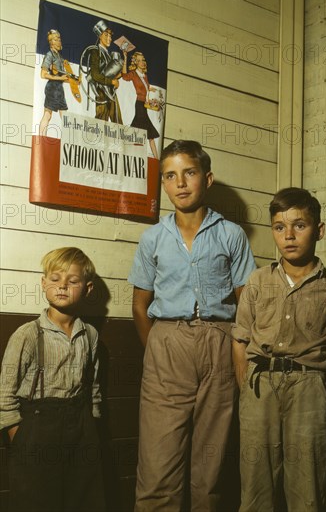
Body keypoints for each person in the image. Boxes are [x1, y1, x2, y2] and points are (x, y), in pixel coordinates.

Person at [128, 140, 256, 512]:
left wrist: (237, 352)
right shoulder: (152, 237)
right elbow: (140, 305)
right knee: (158, 455)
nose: (180, 183)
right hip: (167, 342)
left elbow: (246, 303)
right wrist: (157, 348)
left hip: (220, 341)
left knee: (210, 460)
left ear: (208, 178)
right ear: (163, 185)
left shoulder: (231, 234)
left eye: (190, 172)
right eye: (170, 175)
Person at [232, 187, 326, 512]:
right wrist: (246, 386)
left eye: (299, 226)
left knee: (309, 487)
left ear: (319, 230)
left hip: (310, 389)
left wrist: (321, 389)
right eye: (279, 227)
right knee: (256, 486)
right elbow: (240, 339)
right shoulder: (257, 282)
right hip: (260, 387)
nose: (288, 235)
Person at [0, 247, 105, 512]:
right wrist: (20, 436)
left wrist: (91, 423)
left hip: (80, 429)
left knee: (81, 499)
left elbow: (92, 385)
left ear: (88, 289)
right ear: (43, 283)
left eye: (72, 281)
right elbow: (5, 394)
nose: (62, 286)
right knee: (36, 501)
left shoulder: (89, 334)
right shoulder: (27, 335)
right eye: (55, 279)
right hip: (37, 429)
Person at [122, 51, 160, 159]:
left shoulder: (145, 76)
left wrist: (151, 89)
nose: (142, 62)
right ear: (135, 63)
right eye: (139, 60)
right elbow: (124, 76)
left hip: (144, 105)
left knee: (144, 133)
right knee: (144, 133)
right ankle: (132, 154)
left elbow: (145, 87)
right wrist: (125, 58)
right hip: (139, 105)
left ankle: (156, 158)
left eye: (143, 60)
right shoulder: (133, 74)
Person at [89, 20, 123, 123]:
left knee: (118, 122)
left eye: (110, 36)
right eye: (106, 35)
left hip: (111, 92)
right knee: (101, 122)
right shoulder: (95, 51)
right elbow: (95, 75)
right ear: (99, 36)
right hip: (101, 92)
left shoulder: (109, 55)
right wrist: (111, 82)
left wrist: (117, 77)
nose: (109, 38)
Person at [39, 29, 69, 136]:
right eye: (57, 39)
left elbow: (62, 75)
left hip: (59, 90)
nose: (60, 41)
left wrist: (71, 81)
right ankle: (41, 139)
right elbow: (43, 74)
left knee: (65, 117)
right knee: (48, 115)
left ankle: (67, 141)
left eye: (59, 39)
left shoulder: (60, 57)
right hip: (52, 89)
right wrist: (60, 79)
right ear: (52, 42)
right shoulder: (49, 55)